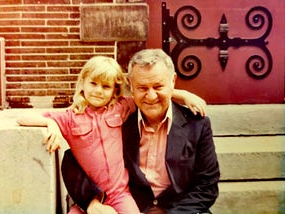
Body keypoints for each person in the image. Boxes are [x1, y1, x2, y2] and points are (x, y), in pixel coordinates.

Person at [16, 55, 207, 214]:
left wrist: (182, 95)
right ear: (82, 83)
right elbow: (23, 118)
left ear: (114, 90)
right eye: (93, 83)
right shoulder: (69, 117)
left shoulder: (121, 107)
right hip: (88, 198)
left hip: (121, 194)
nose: (98, 91)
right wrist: (51, 124)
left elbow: (149, 95)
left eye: (106, 87)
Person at [62, 49, 220, 214]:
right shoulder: (117, 119)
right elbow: (72, 159)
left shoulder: (197, 125)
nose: (151, 96)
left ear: (172, 81)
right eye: (142, 88)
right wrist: (92, 202)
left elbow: (206, 186)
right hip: (127, 207)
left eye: (158, 86)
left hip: (180, 210)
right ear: (130, 85)